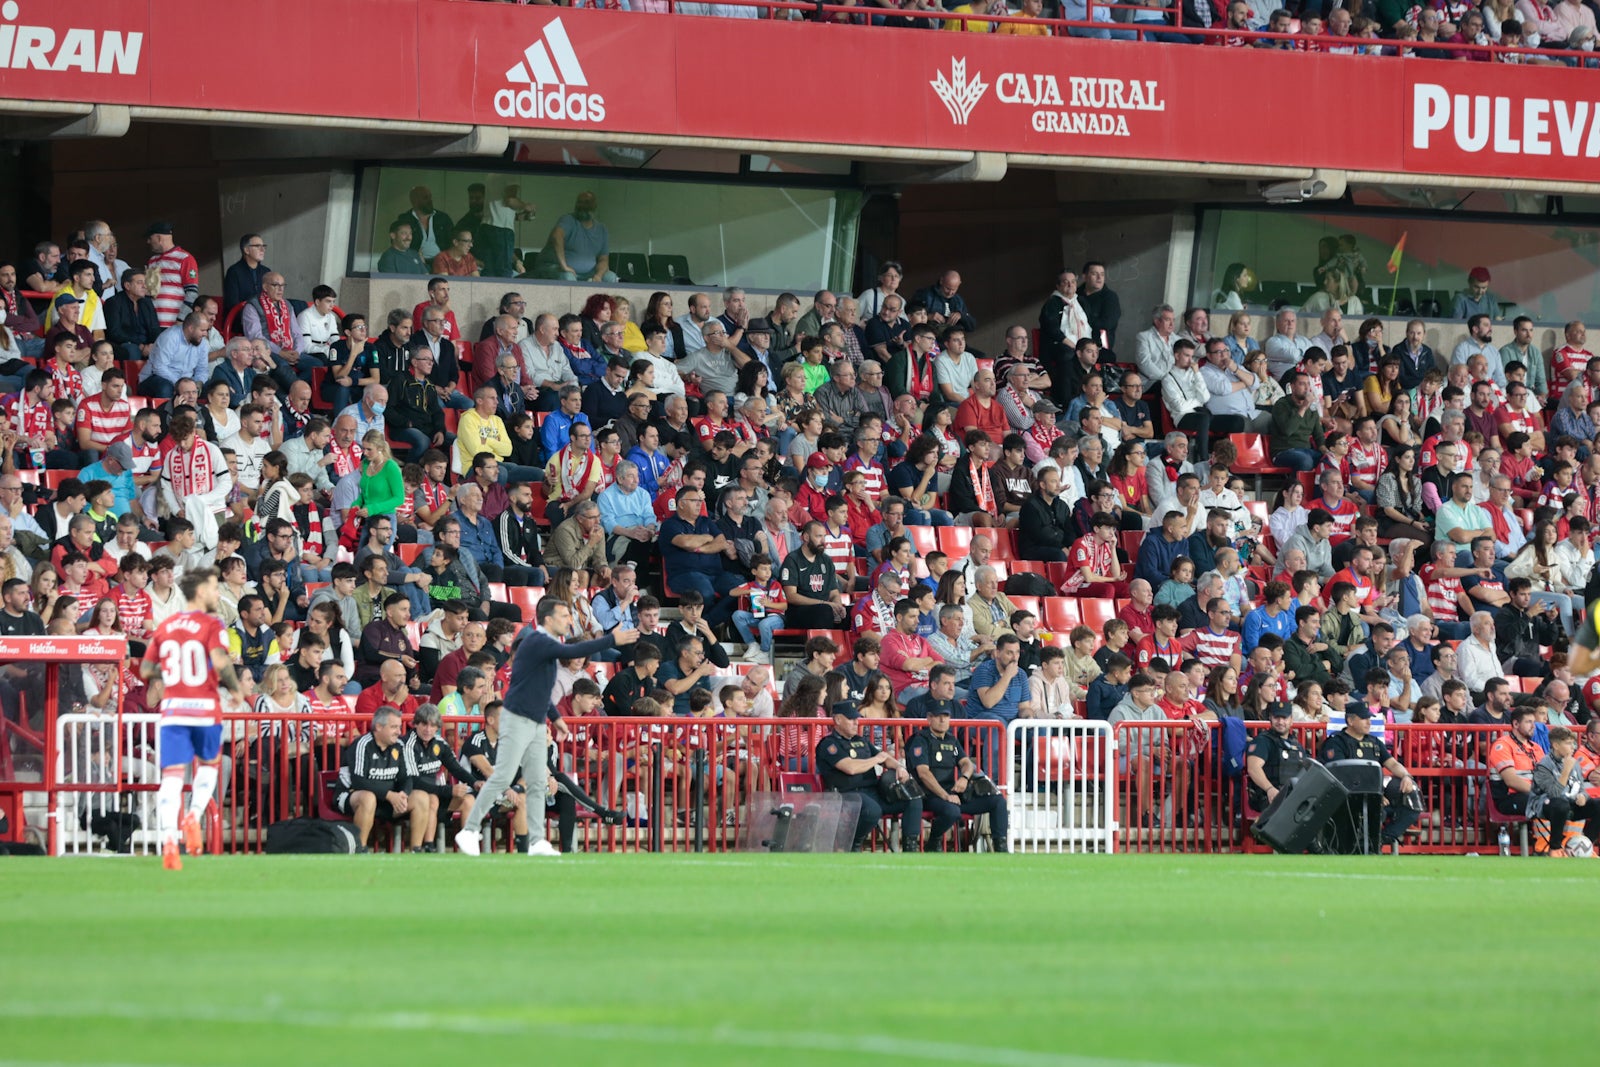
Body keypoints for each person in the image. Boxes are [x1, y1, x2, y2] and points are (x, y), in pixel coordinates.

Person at [455, 597, 637, 857]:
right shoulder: (538, 641)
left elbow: (537, 688)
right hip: (517, 718)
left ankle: (537, 840)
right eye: (564, 616)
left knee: (538, 780)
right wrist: (612, 639)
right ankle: (470, 830)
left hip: (536, 720)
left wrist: (556, 717)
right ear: (548, 619)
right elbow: (571, 652)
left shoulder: (544, 647)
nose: (569, 620)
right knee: (504, 777)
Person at [139, 568, 247, 870]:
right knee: (209, 767)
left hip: (173, 710)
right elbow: (219, 660)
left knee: (171, 778)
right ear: (200, 592)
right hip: (204, 709)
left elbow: (146, 669)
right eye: (214, 588)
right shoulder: (212, 624)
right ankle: (194, 814)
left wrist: (174, 676)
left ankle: (169, 841)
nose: (217, 593)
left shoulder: (166, 625)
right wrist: (235, 688)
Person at [815, 702, 923, 852]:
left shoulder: (861, 741)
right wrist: (875, 760)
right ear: (838, 720)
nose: (856, 723)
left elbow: (884, 757)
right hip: (847, 795)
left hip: (872, 793)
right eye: (851, 719)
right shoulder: (828, 744)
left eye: (856, 719)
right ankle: (854, 844)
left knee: (913, 799)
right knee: (872, 810)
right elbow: (850, 768)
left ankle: (910, 849)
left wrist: (899, 767)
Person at [908, 692, 1009, 853]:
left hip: (953, 794)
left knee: (998, 801)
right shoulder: (920, 739)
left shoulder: (952, 740)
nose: (942, 720)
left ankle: (1001, 849)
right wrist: (945, 796)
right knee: (952, 810)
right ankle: (934, 841)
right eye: (938, 716)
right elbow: (923, 774)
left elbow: (966, 763)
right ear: (929, 718)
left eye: (946, 716)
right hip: (930, 795)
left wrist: (964, 777)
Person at [1318, 703, 1420, 851]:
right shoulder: (1337, 742)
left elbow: (1392, 763)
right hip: (1348, 799)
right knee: (1376, 812)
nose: (1369, 722)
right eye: (1364, 718)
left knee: (1413, 799)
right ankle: (1365, 844)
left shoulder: (1374, 742)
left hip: (1376, 798)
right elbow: (1340, 774)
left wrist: (1406, 776)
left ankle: (1382, 839)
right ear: (1351, 721)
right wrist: (1372, 795)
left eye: (1369, 718)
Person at [1530, 726, 1600, 856]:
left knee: (1598, 804)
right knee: (1560, 804)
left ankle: (1584, 845)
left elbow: (1582, 788)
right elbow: (1553, 794)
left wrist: (1583, 796)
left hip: (1568, 803)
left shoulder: (1574, 763)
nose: (1573, 747)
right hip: (1544, 806)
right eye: (1568, 743)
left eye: (1573, 743)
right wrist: (1566, 770)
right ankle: (1555, 848)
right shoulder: (1543, 765)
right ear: (1556, 745)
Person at [1245, 704, 1310, 812]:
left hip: (1293, 796)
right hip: (1267, 797)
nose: (1280, 722)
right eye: (1276, 718)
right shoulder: (1263, 741)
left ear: (1291, 720)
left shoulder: (1296, 744)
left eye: (1284, 718)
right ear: (1270, 718)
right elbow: (1253, 768)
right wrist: (1269, 789)